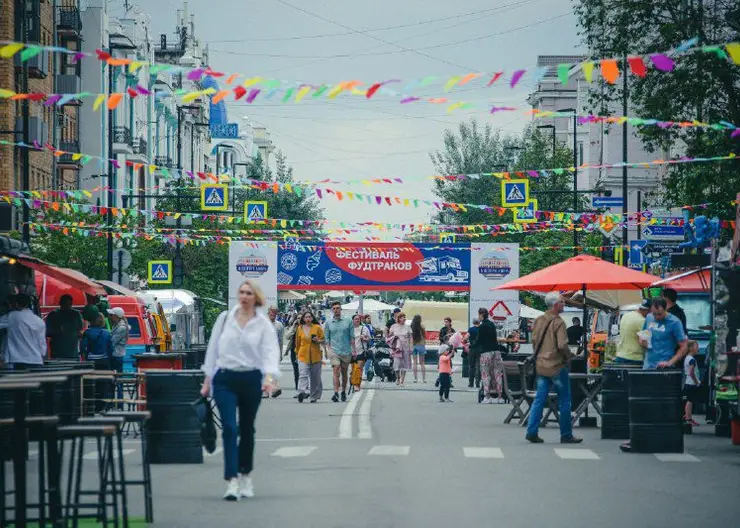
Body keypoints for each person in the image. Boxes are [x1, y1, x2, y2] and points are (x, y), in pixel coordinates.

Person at [200, 279, 281, 501]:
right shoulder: (225, 318)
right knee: (228, 427)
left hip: (251, 378)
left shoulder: (262, 323)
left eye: (248, 293)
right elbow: (213, 348)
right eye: (241, 292)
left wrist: (269, 378)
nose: (244, 296)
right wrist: (207, 379)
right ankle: (231, 481)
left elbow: (270, 352)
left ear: (255, 297)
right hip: (225, 378)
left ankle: (246, 476)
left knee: (247, 428)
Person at [525, 292, 582, 444]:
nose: (565, 305)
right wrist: (569, 356)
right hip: (557, 366)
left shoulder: (538, 320)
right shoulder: (559, 322)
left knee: (539, 399)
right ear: (556, 305)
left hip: (541, 365)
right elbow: (562, 344)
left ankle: (532, 430)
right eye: (563, 303)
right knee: (564, 400)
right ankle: (566, 434)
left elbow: (535, 341)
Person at [639, 297, 688, 370]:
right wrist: (642, 342)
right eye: (654, 314)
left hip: (664, 367)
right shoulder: (649, 317)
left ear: (666, 309)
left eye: (659, 314)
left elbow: (684, 347)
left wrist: (670, 363)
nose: (656, 317)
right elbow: (641, 336)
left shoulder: (675, 322)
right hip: (648, 366)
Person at [0, 294, 46, 369]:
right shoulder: (39, 321)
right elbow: (42, 345)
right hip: (37, 360)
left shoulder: (12, 316)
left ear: (16, 304)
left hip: (19, 361)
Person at [80, 314, 114, 411]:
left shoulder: (87, 332)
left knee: (91, 382)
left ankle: (92, 404)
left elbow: (83, 347)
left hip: (91, 361)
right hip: (104, 361)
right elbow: (110, 348)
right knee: (104, 383)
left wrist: (86, 356)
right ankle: (102, 405)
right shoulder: (107, 333)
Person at [324, 301, 356, 402]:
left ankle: (343, 392)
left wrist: (354, 350)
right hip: (334, 351)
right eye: (334, 308)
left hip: (346, 350)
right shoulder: (328, 322)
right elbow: (327, 338)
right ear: (331, 310)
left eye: (338, 308)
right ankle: (336, 392)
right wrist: (328, 350)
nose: (336, 310)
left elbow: (352, 337)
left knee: (344, 373)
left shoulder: (348, 321)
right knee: (336, 370)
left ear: (341, 309)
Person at [294, 311, 325, 403]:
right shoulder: (300, 328)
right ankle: (301, 391)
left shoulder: (317, 328)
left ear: (312, 318)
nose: (308, 319)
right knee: (303, 374)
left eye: (309, 317)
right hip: (303, 354)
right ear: (303, 319)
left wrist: (318, 340)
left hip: (315, 355)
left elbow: (324, 340)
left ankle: (314, 396)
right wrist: (297, 353)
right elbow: (297, 342)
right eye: (306, 317)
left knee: (315, 377)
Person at [476, 307, 503, 404]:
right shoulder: (492, 324)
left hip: (486, 352)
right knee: (497, 374)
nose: (478, 317)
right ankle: (500, 397)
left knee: (485, 374)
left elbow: (479, 341)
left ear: (482, 315)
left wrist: (470, 345)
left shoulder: (482, 326)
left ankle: (487, 397)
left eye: (478, 315)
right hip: (496, 352)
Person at [45, 293, 84, 360]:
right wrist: (58, 331)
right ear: (60, 303)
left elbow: (80, 329)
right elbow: (47, 332)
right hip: (59, 353)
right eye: (65, 304)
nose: (67, 306)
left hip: (71, 353)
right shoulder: (53, 314)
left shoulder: (76, 314)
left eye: (69, 304)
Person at [615, 299, 651, 366]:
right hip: (634, 359)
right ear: (647, 311)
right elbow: (644, 342)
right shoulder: (642, 321)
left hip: (620, 356)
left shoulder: (626, 315)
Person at [388, 312, 412, 386]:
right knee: (396, 364)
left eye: (405, 317)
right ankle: (398, 378)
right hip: (397, 348)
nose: (404, 318)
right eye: (402, 317)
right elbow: (389, 336)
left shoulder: (408, 327)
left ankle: (402, 381)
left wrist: (411, 347)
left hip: (405, 347)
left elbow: (411, 338)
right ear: (399, 318)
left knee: (404, 365)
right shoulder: (394, 326)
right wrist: (393, 338)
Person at [267, 306, 284, 398]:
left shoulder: (279, 325)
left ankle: (274, 390)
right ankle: (268, 391)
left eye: (275, 313)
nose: (273, 314)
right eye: (271, 312)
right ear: (268, 312)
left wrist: (280, 353)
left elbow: (281, 340)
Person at [683, 342, 701, 426]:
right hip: (692, 383)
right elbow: (691, 373)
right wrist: (697, 382)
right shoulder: (692, 360)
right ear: (691, 348)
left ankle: (687, 416)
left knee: (689, 400)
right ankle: (688, 419)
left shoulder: (687, 358)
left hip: (688, 382)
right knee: (690, 401)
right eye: (696, 346)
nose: (698, 348)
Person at [351, 314, 370, 392]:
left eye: (358, 319)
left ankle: (356, 385)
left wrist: (364, 338)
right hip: (351, 352)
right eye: (355, 319)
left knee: (358, 369)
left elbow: (369, 339)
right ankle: (355, 382)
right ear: (352, 320)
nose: (357, 320)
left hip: (361, 351)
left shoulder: (364, 328)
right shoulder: (350, 329)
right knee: (353, 369)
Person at [108, 307, 128, 375]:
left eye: (111, 315)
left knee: (117, 376)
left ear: (116, 316)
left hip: (117, 355)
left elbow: (112, 341)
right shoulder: (115, 325)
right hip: (115, 354)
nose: (109, 317)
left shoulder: (121, 328)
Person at [283, 319, 300, 393]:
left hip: (302, 352)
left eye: (300, 318)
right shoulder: (294, 328)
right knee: (296, 371)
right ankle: (298, 389)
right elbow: (287, 337)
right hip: (294, 351)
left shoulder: (305, 327)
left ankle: (304, 388)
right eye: (298, 318)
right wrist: (293, 327)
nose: (299, 320)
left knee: (304, 371)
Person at [437, 335, 454, 402]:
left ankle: (445, 397)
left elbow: (448, 366)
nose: (448, 351)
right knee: (443, 386)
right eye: (447, 350)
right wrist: (451, 354)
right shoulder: (442, 357)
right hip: (442, 374)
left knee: (447, 386)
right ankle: (442, 397)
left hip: (447, 374)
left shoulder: (446, 356)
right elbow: (446, 359)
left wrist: (450, 371)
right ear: (443, 351)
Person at [410, 314, 427, 383]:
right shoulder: (422, 326)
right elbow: (424, 336)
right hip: (421, 345)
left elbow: (410, 337)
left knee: (414, 363)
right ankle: (424, 379)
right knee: (422, 363)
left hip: (414, 345)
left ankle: (415, 379)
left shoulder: (411, 327)